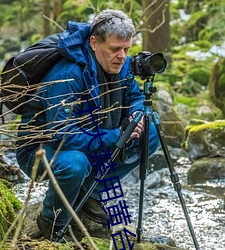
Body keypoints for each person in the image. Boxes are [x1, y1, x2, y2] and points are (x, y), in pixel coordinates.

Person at [16, 9, 160, 241]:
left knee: (150, 132)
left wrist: (136, 114)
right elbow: (61, 134)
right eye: (115, 49)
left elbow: (134, 96)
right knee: (75, 165)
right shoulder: (68, 75)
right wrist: (116, 135)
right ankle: (51, 222)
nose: (122, 56)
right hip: (42, 150)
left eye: (126, 49)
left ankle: (90, 192)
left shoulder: (120, 64)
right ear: (94, 43)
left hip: (94, 135)